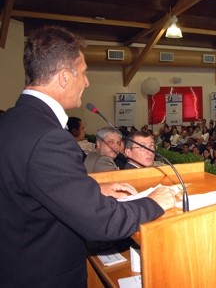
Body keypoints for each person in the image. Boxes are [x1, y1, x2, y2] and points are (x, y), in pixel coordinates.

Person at [0, 26, 174, 287]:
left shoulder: (12, 120)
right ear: (64, 77)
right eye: (83, 73)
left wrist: (91, 188)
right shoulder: (49, 137)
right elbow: (103, 223)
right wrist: (155, 202)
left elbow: (31, 187)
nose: (87, 81)